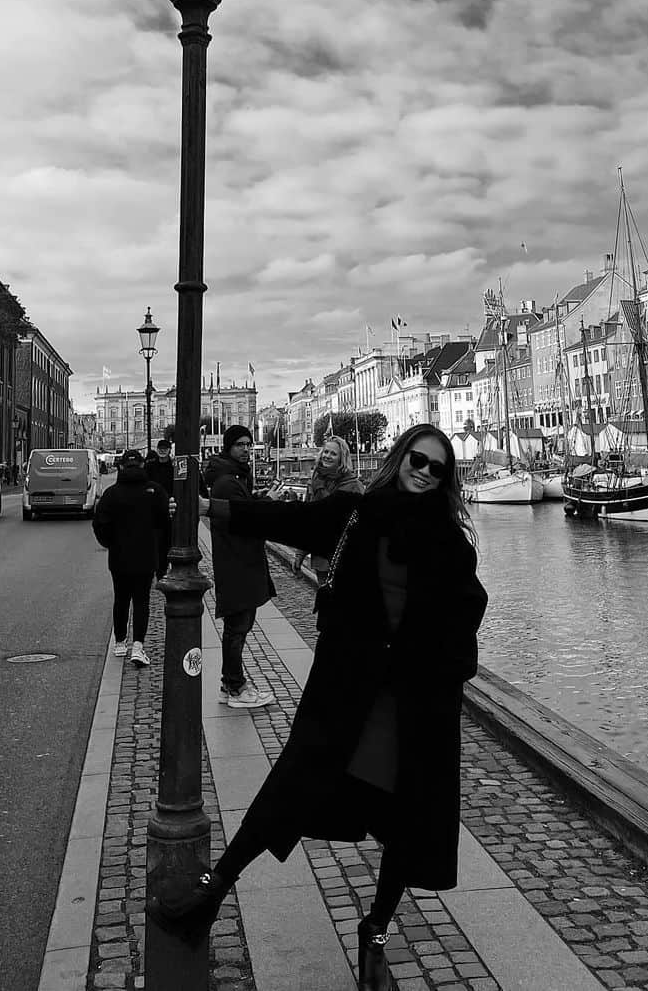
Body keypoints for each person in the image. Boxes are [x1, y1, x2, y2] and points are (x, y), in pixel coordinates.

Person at [149, 423, 488, 991]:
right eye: (417, 459)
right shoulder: (360, 513)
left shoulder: (451, 542)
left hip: (412, 704)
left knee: (405, 821)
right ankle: (213, 892)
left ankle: (375, 932)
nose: (424, 472)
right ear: (399, 457)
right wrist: (213, 509)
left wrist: (440, 661)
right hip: (348, 688)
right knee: (291, 786)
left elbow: (470, 609)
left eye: (437, 467)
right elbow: (292, 523)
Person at [202, 425, 278, 710]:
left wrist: (256, 498)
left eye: (249, 444)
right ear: (228, 447)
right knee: (238, 628)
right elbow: (241, 518)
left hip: (236, 560)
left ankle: (228, 684)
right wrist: (267, 502)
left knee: (238, 627)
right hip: (237, 562)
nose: (246, 449)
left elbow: (240, 508)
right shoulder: (228, 481)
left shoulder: (232, 478)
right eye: (240, 445)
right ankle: (235, 687)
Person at [92, 448, 171, 667]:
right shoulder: (154, 491)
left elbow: (99, 524)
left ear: (121, 467)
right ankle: (138, 645)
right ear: (143, 465)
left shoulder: (111, 494)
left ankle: (119, 642)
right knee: (142, 600)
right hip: (146, 555)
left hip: (119, 556)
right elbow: (165, 522)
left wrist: (110, 543)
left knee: (121, 598)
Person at [291, 435, 363, 577]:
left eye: (333, 453)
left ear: (341, 459)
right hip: (321, 556)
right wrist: (300, 553)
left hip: (346, 557)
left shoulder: (354, 486)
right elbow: (308, 520)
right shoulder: (315, 480)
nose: (327, 456)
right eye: (326, 452)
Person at [145, 437, 175, 579]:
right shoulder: (150, 466)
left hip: (171, 508)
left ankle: (163, 570)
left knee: (167, 542)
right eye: (160, 449)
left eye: (165, 449)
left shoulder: (174, 467)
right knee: (155, 543)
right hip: (153, 510)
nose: (162, 451)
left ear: (169, 450)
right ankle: (158, 571)